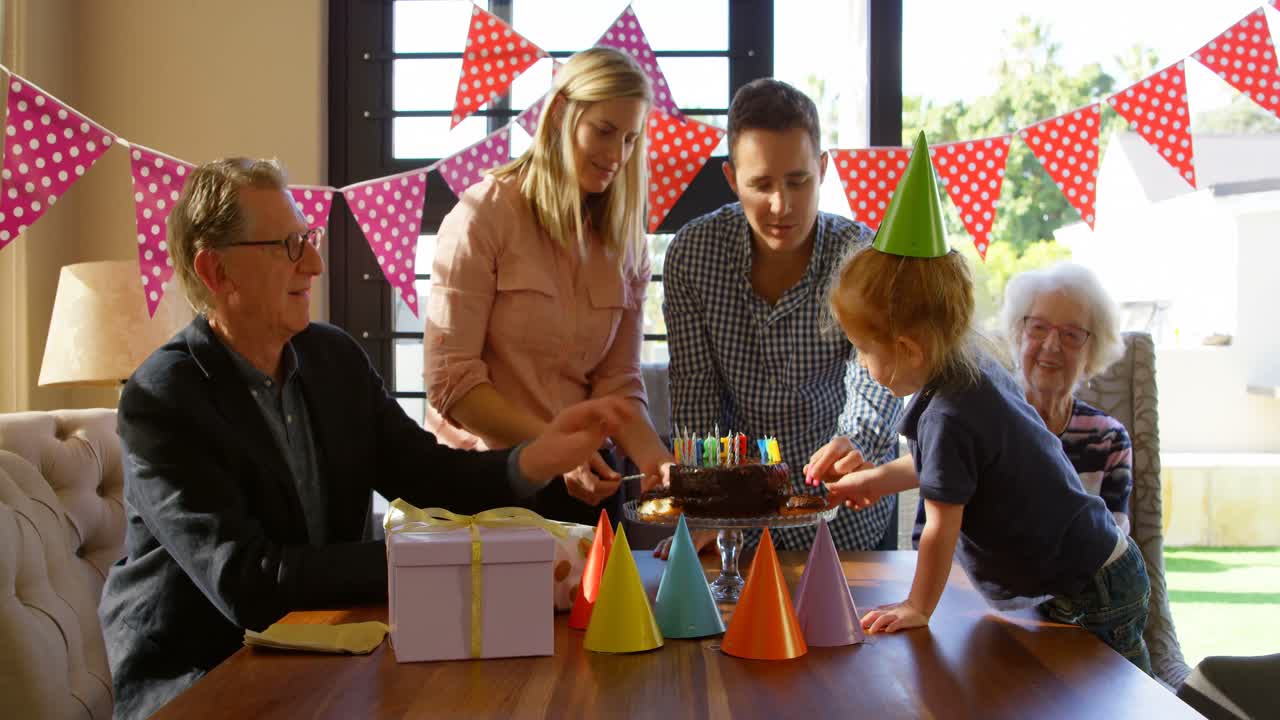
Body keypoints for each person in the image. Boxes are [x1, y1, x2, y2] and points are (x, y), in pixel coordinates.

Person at [99, 158, 635, 719]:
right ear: (216, 272)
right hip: (198, 678)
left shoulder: (336, 361)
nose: (315, 263)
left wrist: (534, 458)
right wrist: (426, 560)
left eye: (308, 238)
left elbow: (428, 476)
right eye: (288, 245)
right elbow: (246, 583)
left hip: (324, 655)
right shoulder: (162, 399)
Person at [817, 132, 1151, 674]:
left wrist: (916, 606)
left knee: (1116, 697)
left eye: (862, 350)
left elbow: (940, 526)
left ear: (906, 349)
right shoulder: (968, 373)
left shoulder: (951, 412)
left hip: (1090, 587)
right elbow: (947, 468)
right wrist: (878, 479)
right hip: (1092, 568)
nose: (859, 365)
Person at [423, 47, 672, 525]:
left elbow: (618, 381)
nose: (617, 155)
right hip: (485, 480)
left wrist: (656, 460)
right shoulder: (484, 214)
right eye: (604, 132)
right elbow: (451, 382)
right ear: (560, 113)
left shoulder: (626, 242)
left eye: (629, 140)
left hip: (584, 485)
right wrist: (552, 449)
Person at [656, 78, 903, 557]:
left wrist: (856, 440)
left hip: (844, 511)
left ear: (824, 169)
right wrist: (705, 503)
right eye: (761, 184)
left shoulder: (861, 254)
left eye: (797, 181)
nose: (781, 205)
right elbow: (695, 392)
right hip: (738, 516)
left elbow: (878, 372)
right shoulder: (693, 255)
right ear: (731, 180)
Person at [911, 262, 1132, 545]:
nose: (1052, 345)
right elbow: (927, 533)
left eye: (1071, 334)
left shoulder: (1108, 439)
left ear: (1093, 350)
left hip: (1073, 588)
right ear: (1018, 334)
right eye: (1038, 327)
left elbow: (1113, 546)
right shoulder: (976, 422)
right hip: (968, 585)